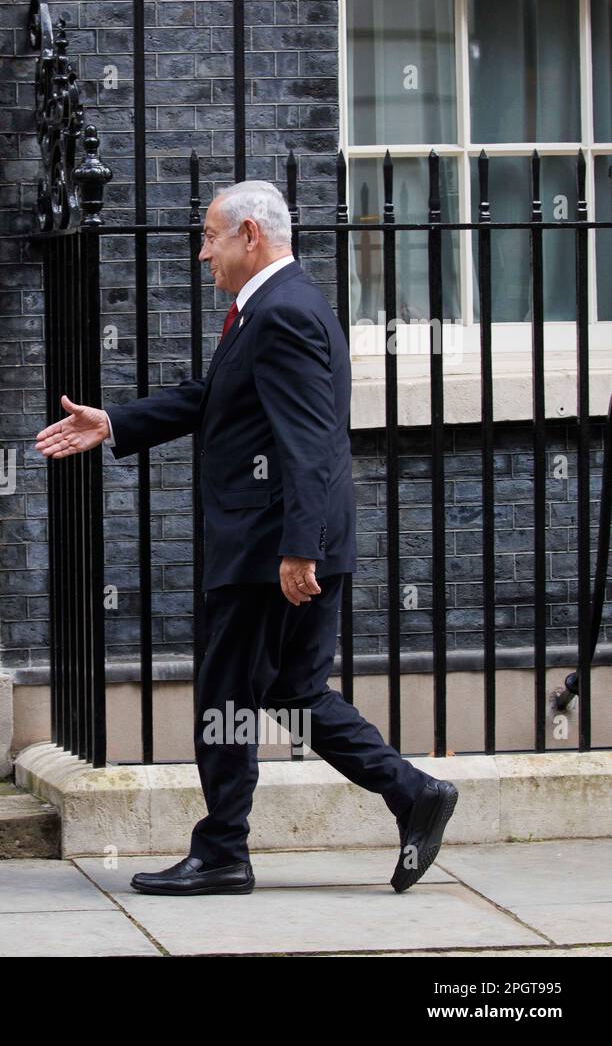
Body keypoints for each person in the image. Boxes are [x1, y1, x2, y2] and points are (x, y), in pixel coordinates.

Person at [35, 180, 456, 896]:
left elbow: (311, 441)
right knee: (293, 691)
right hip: (288, 541)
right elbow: (214, 398)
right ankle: (411, 789)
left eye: (210, 237)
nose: (204, 254)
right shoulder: (272, 307)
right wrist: (115, 422)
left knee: (224, 696)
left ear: (250, 235)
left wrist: (298, 546)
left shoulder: (281, 312)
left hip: (269, 550)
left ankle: (224, 848)